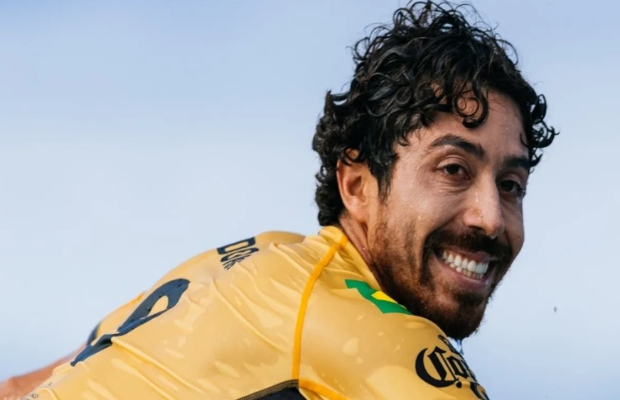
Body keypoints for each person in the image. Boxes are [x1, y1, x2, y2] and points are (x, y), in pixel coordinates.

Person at [1, 1, 557, 399]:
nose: (491, 218)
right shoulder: (376, 336)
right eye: (454, 170)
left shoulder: (253, 259)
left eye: (511, 185)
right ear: (357, 186)